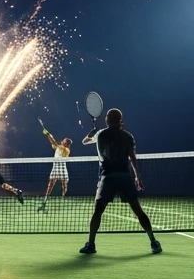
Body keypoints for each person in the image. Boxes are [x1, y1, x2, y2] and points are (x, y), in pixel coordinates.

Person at [79, 107, 161, 255]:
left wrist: (91, 133)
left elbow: (84, 142)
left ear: (107, 120)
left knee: (97, 212)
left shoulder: (100, 134)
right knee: (138, 210)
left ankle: (91, 244)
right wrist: (138, 177)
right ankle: (153, 242)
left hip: (107, 177)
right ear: (121, 121)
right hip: (124, 177)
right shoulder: (128, 136)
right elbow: (133, 159)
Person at [38, 127, 72, 211]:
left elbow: (54, 142)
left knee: (64, 185)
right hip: (55, 168)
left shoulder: (66, 150)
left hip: (62, 168)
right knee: (51, 184)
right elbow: (52, 143)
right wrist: (48, 135)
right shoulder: (58, 148)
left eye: (64, 140)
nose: (62, 140)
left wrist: (48, 134)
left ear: (66, 143)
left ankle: (63, 198)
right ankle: (45, 200)